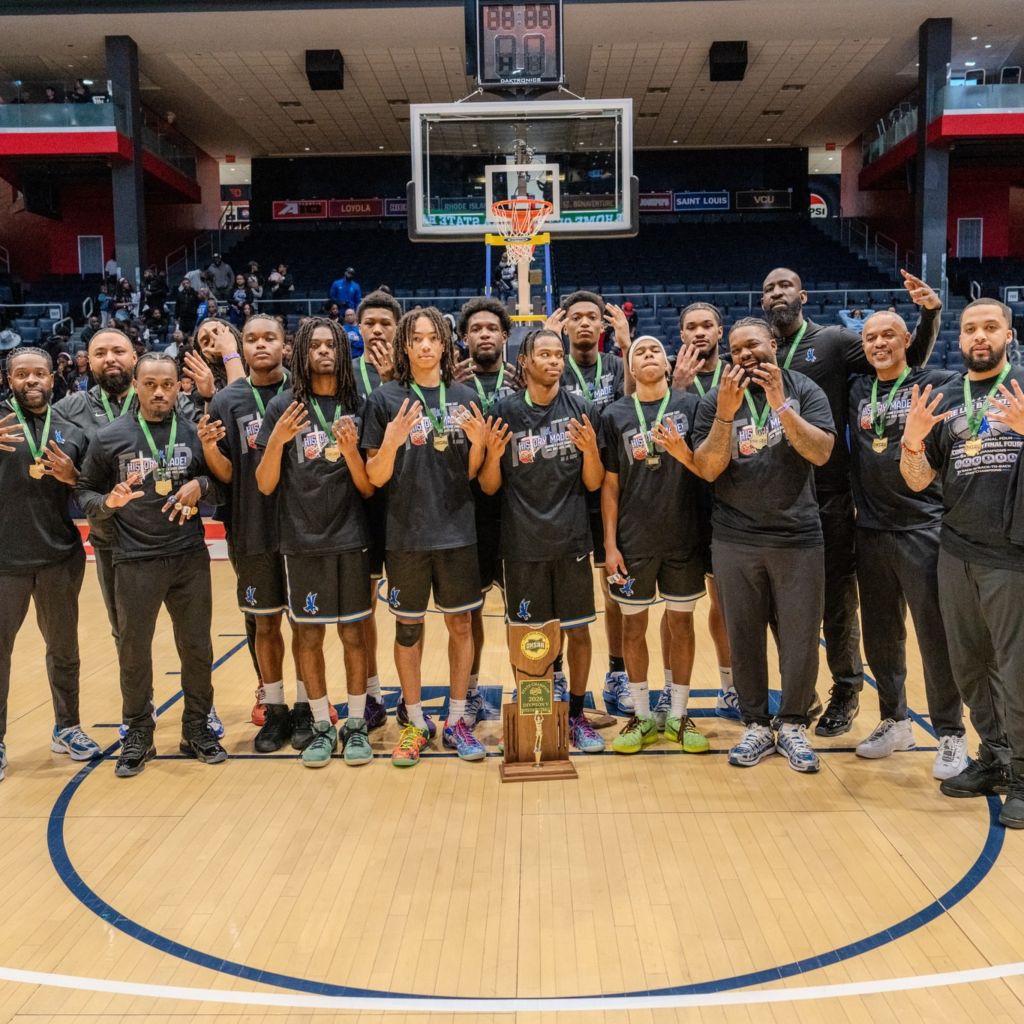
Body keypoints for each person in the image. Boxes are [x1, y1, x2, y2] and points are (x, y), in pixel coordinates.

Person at [760, 266, 940, 738]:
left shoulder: (837, 341)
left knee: (838, 602)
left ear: (803, 294)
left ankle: (846, 689)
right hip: (776, 498)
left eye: (785, 286)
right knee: (781, 604)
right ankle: (802, 692)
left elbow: (908, 358)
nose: (777, 293)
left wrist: (929, 314)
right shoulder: (759, 350)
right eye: (769, 289)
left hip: (829, 495)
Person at [900, 298, 1024, 828]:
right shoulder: (946, 397)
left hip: (1013, 556)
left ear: (1009, 334)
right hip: (956, 549)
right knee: (970, 666)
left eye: (990, 327)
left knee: (1016, 672)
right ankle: (993, 757)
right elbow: (919, 481)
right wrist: (910, 440)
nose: (980, 336)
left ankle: (1023, 773)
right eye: (971, 328)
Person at [692, 318, 836, 773]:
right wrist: (725, 414)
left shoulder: (805, 389)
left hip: (798, 536)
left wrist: (781, 408)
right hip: (735, 537)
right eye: (737, 350)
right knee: (744, 635)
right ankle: (756, 723)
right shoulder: (717, 397)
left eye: (753, 345)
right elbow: (708, 468)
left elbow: (821, 452)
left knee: (799, 639)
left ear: (773, 344)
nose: (746, 355)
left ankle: (792, 723)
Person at [75, 352, 226, 778]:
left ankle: (196, 727)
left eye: (167, 384)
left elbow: (222, 481)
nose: (159, 392)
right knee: (134, 651)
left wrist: (201, 483)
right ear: (137, 386)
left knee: (197, 647)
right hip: (134, 559)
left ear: (179, 386)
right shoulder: (109, 437)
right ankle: (138, 732)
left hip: (189, 557)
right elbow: (84, 490)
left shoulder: (196, 434)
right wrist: (108, 502)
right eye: (150, 384)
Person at [361, 306, 488, 766]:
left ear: (446, 343)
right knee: (409, 629)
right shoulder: (384, 400)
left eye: (434, 337)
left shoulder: (465, 394)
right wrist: (392, 441)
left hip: (458, 532)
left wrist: (478, 443)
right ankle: (415, 721)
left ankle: (456, 720)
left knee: (460, 625)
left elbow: (473, 473)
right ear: (405, 345)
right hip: (406, 535)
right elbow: (374, 476)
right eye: (417, 338)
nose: (427, 345)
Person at [848, 311, 967, 778]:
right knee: (881, 636)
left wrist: (931, 314)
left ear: (906, 340)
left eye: (888, 336)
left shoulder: (935, 382)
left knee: (934, 637)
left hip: (924, 528)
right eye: (871, 337)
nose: (879, 343)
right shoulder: (857, 389)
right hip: (871, 530)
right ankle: (895, 721)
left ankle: (951, 733)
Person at [480, 328, 607, 754]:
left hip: (571, 539)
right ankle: (535, 715)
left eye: (559, 354)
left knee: (578, 632)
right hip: (522, 543)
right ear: (526, 362)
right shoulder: (503, 411)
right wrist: (494, 455)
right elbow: (490, 486)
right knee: (529, 637)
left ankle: (574, 716)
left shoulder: (582, 409)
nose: (554, 361)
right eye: (545, 354)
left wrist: (591, 450)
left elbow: (593, 482)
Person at [255, 317, 373, 767]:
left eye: (332, 345)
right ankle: (323, 725)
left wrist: (348, 453)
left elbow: (367, 489)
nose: (324, 352)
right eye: (315, 345)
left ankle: (357, 724)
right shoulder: (283, 408)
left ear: (343, 354)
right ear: (300, 353)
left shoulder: (357, 404)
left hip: (350, 537)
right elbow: (265, 485)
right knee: (308, 634)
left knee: (353, 634)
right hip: (301, 541)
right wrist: (278, 441)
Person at [201, 313, 306, 752]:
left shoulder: (302, 393)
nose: (260, 345)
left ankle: (307, 705)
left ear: (286, 346)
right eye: (251, 339)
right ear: (241, 349)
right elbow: (226, 474)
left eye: (270, 338)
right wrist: (209, 449)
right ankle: (275, 708)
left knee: (306, 625)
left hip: (303, 527)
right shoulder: (227, 400)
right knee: (264, 623)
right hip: (251, 528)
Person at [600, 336, 709, 755]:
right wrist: (610, 545)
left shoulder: (693, 407)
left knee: (681, 624)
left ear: (667, 363)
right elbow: (609, 485)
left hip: (683, 536)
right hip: (633, 540)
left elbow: (707, 466)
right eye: (638, 352)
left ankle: (679, 715)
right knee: (633, 626)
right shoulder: (614, 414)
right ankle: (641, 715)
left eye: (653, 350)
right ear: (629, 367)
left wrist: (682, 452)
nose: (647, 355)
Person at [0, 348, 100, 783]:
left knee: (64, 650)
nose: (31, 380)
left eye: (39, 373)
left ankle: (68, 728)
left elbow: (89, 488)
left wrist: (72, 477)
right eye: (21, 374)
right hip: (4, 560)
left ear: (53, 379)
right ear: (9, 381)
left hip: (59, 556)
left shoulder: (71, 430)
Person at [549, 290, 632, 717]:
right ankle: (558, 673)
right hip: (563, 492)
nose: (584, 323)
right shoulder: (551, 366)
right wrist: (536, 339)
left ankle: (617, 672)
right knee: (562, 591)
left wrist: (626, 344)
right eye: (576, 317)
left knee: (614, 586)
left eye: (592, 317)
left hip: (612, 487)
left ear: (603, 325)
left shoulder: (620, 365)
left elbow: (637, 405)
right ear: (564, 326)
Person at [454, 296, 521, 720]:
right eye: (476, 329)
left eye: (491, 329)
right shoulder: (452, 390)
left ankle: (532, 688)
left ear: (505, 336)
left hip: (518, 510)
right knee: (470, 609)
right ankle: (473, 692)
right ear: (464, 338)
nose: (484, 334)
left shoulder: (522, 385)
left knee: (524, 610)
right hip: (468, 512)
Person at [671, 301, 735, 720]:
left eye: (707, 325)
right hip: (677, 502)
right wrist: (677, 388)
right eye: (691, 326)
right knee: (676, 606)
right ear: (681, 336)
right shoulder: (668, 377)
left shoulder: (735, 377)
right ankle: (671, 692)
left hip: (723, 500)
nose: (699, 332)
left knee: (722, 601)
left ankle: (729, 686)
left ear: (720, 331)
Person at [352, 290, 401, 732]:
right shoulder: (346, 376)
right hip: (362, 507)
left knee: (412, 609)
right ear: (358, 327)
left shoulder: (411, 375)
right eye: (370, 324)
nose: (378, 331)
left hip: (409, 507)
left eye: (386, 323)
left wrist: (390, 382)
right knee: (364, 606)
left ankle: (412, 691)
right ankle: (370, 691)